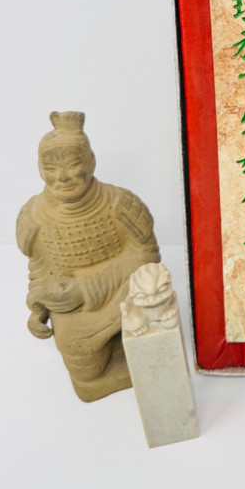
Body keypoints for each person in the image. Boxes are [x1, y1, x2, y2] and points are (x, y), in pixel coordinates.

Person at [16, 111, 160, 401]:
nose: (62, 177)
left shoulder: (121, 203)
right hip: (74, 310)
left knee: (152, 301)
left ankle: (145, 361)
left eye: (73, 165)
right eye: (50, 168)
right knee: (85, 369)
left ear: (90, 162)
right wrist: (39, 310)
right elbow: (40, 271)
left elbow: (148, 257)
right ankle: (114, 367)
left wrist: (87, 288)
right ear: (39, 169)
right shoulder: (34, 216)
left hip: (122, 291)